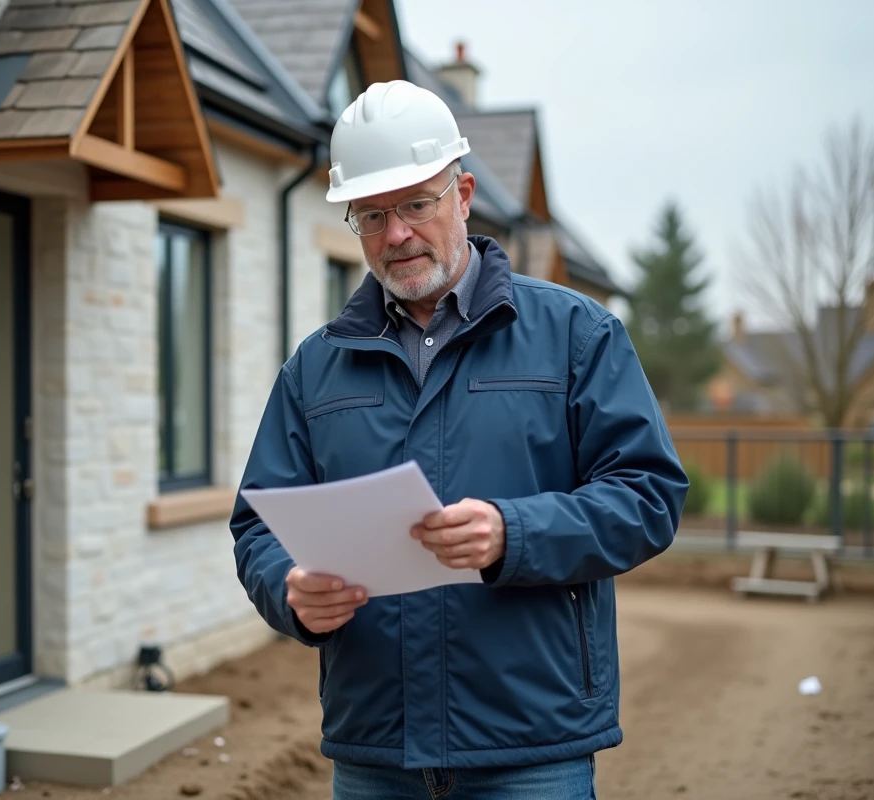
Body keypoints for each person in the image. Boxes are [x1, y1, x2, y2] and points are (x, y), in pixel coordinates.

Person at [229, 80, 688, 800]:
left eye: (416, 203)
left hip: (531, 746)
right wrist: (288, 591)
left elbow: (649, 496)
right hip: (377, 749)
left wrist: (515, 531)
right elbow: (259, 523)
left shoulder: (577, 336)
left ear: (464, 194)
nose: (397, 234)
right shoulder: (314, 369)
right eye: (373, 214)